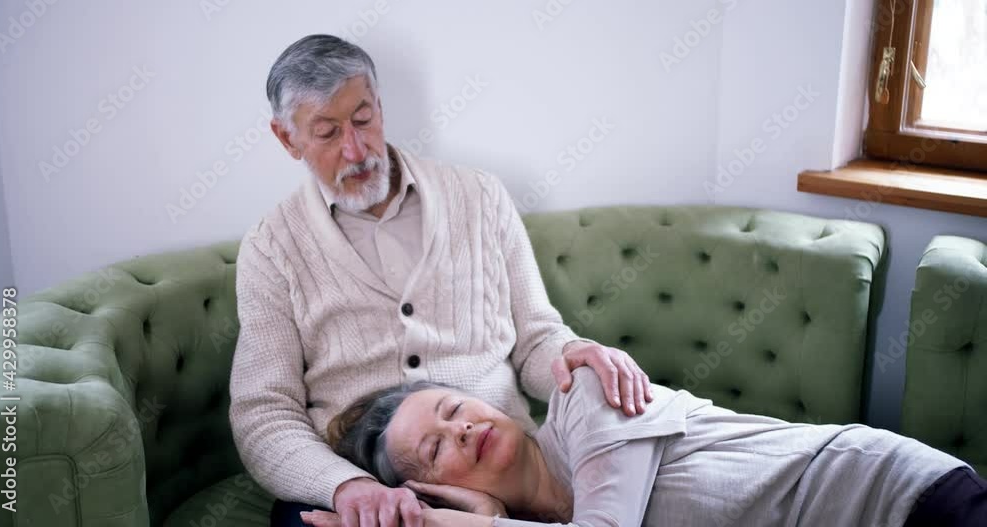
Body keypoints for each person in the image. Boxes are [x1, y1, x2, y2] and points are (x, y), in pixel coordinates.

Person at [229, 34, 655, 527]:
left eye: (363, 119)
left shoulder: (479, 196)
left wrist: (575, 353)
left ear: (379, 105)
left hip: (498, 464)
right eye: (327, 133)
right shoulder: (270, 248)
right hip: (360, 482)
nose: (355, 148)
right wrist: (345, 486)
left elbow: (538, 339)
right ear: (287, 138)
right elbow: (264, 412)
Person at [299, 369, 987, 526]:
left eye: (455, 409)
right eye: (434, 448)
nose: (461, 429)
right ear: (431, 488)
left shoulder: (585, 395)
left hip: (902, 500)